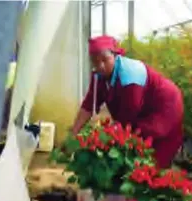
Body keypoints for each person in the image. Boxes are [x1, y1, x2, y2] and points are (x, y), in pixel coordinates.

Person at [71, 35, 184, 169]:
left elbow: (128, 116)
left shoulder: (130, 75)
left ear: (114, 56)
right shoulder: (99, 76)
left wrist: (106, 138)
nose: (100, 66)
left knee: (154, 152)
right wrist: (74, 134)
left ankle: (153, 179)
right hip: (142, 109)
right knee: (134, 147)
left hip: (164, 105)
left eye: (105, 60)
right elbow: (88, 106)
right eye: (95, 62)